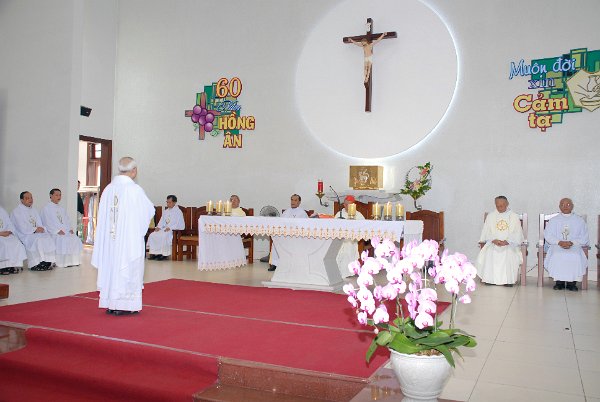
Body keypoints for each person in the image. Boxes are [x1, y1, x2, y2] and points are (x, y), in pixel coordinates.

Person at [92, 157, 154, 316]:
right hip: (127, 240)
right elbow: (148, 211)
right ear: (134, 171)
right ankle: (125, 304)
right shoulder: (134, 190)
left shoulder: (108, 189)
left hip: (110, 240)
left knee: (111, 267)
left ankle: (110, 303)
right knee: (127, 267)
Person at [476, 196, 524, 286]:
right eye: (497, 206)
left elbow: (517, 232)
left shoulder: (513, 216)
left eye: (502, 206)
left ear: (507, 204)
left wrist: (507, 241)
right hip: (493, 243)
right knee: (489, 251)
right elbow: (486, 231)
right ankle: (490, 279)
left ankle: (508, 281)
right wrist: (494, 240)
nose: (499, 208)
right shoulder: (491, 216)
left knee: (510, 253)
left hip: (509, 244)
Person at [544, 198, 589, 291]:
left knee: (575, 255)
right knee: (557, 255)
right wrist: (559, 242)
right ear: (559, 206)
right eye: (563, 205)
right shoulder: (554, 220)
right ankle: (559, 282)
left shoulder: (579, 221)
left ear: (572, 206)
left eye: (568, 204)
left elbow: (584, 237)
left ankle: (572, 283)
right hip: (557, 245)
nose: (565, 207)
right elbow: (548, 235)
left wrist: (571, 242)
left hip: (574, 245)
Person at [10, 191, 56, 271]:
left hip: (36, 233)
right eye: (27, 198)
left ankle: (47, 261)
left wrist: (41, 228)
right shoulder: (16, 212)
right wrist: (34, 230)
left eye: (31, 197)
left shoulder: (33, 210)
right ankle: (36, 264)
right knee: (38, 240)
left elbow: (39, 223)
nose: (30, 199)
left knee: (47, 238)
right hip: (25, 235)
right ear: (22, 200)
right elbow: (21, 227)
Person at [41, 188, 83, 267]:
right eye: (56, 195)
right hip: (54, 233)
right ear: (51, 196)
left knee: (74, 238)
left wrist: (70, 229)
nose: (59, 197)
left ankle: (73, 261)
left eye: (60, 195)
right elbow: (46, 222)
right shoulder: (46, 209)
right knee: (63, 239)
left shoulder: (61, 208)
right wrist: (56, 231)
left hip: (65, 231)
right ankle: (62, 262)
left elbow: (67, 220)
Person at [269, 194, 308, 271]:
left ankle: (292, 264)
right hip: (285, 234)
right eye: (292, 200)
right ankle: (275, 264)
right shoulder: (286, 212)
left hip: (296, 236)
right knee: (276, 241)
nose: (293, 202)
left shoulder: (302, 213)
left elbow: (304, 226)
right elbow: (280, 223)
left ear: (299, 202)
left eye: (295, 200)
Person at [147, 195, 184, 260]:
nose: (168, 204)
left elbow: (180, 224)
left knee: (164, 235)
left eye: (170, 202)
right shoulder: (165, 211)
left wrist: (170, 228)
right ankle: (154, 253)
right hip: (164, 229)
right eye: (167, 202)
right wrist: (158, 227)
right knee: (153, 235)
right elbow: (162, 221)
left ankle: (164, 254)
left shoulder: (178, 212)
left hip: (173, 231)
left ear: (174, 202)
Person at [336, 195, 365, 278]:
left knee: (348, 251)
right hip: (340, 240)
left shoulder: (358, 215)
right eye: (346, 205)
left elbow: (363, 227)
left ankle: (349, 273)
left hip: (351, 240)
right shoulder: (339, 214)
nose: (348, 206)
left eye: (350, 205)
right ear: (344, 205)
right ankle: (338, 273)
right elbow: (335, 227)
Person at [0, 205, 27, 274]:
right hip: (1, 235)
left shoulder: (2, 210)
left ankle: (12, 265)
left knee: (16, 242)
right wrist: (1, 233)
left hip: (6, 233)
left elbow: (9, 223)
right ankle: (2, 267)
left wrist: (9, 231)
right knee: (4, 244)